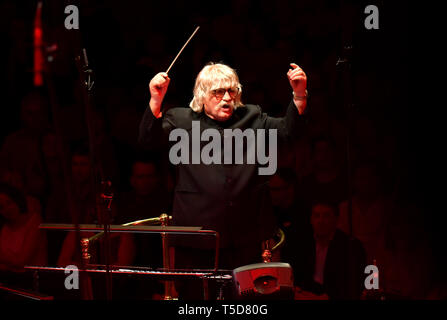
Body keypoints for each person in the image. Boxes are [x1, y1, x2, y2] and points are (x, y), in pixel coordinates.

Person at [139, 62, 308, 299]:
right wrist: (155, 99)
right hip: (196, 239)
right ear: (202, 95)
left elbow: (289, 132)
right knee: (195, 302)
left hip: (243, 239)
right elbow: (147, 140)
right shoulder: (181, 119)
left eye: (231, 91)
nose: (226, 98)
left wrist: (299, 95)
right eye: (218, 92)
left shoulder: (252, 116)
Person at [282, 201, 366, 300]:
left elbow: (353, 283)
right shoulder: (303, 242)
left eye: (326, 216)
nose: (321, 221)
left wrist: (327, 297)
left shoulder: (350, 245)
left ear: (336, 219)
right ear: (311, 219)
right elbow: (297, 274)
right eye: (317, 216)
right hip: (306, 294)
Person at [0, 183, 47, 288]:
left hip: (31, 280)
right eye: (2, 207)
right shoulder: (5, 227)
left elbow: (22, 260)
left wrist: (5, 260)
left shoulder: (34, 221)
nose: (7, 209)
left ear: (17, 200)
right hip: (8, 278)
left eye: (9, 203)